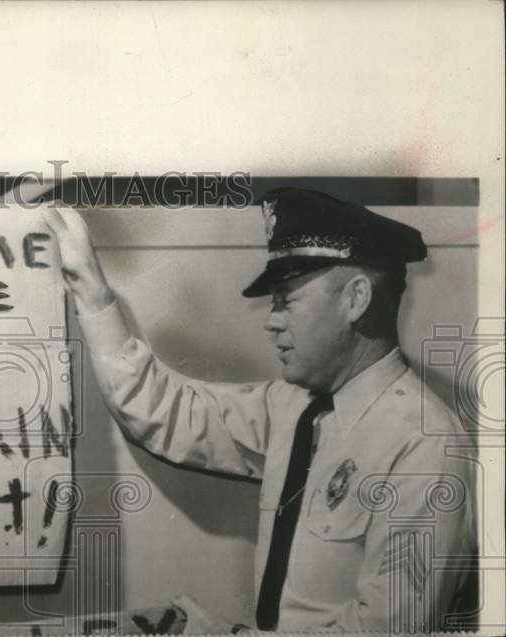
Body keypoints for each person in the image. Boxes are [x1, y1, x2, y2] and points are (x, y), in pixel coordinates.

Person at [40, 187, 476, 633]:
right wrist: (90, 288)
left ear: (356, 298)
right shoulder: (295, 406)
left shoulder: (424, 446)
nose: (272, 319)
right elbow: (165, 412)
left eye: (287, 299)